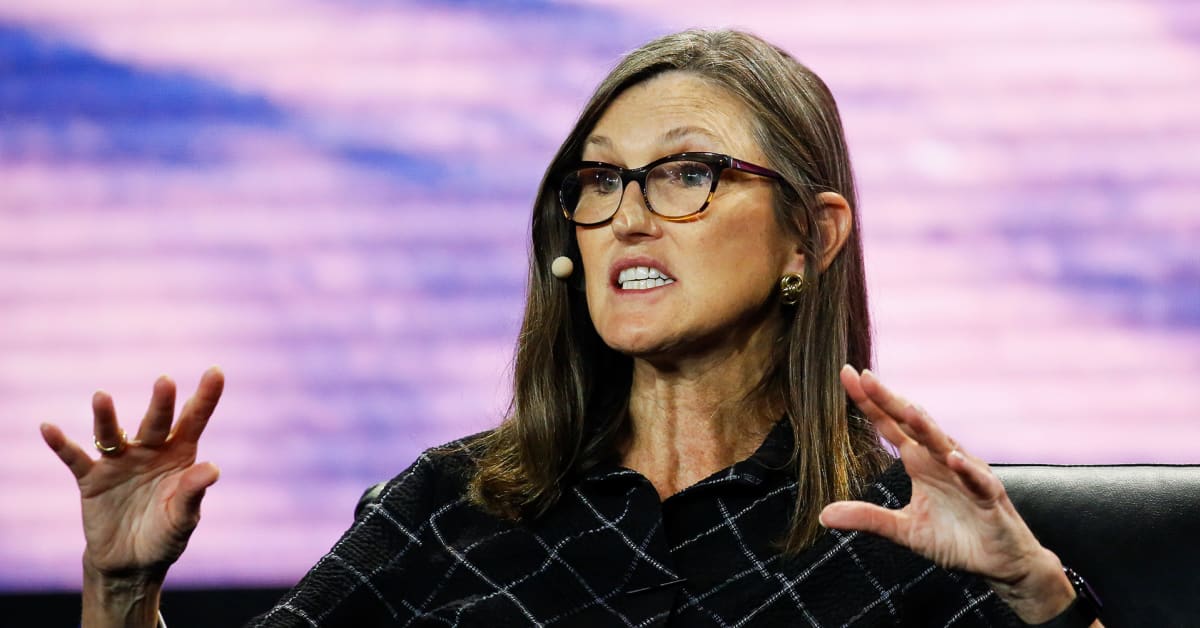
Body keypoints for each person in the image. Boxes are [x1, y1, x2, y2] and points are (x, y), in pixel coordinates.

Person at [41, 29, 1104, 627]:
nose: (628, 214)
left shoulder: (896, 532)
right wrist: (121, 592)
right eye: (599, 180)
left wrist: (1038, 596)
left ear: (810, 238)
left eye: (686, 171)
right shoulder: (445, 508)